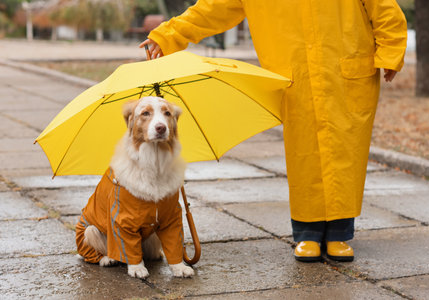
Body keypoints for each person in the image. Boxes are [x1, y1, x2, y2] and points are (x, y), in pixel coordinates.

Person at [140, 0, 407, 262]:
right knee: (303, 154)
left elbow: (382, 7)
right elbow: (213, 8)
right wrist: (167, 35)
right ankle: (308, 233)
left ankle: (339, 233)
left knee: (345, 154)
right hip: (295, 76)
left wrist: (391, 51)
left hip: (344, 73)